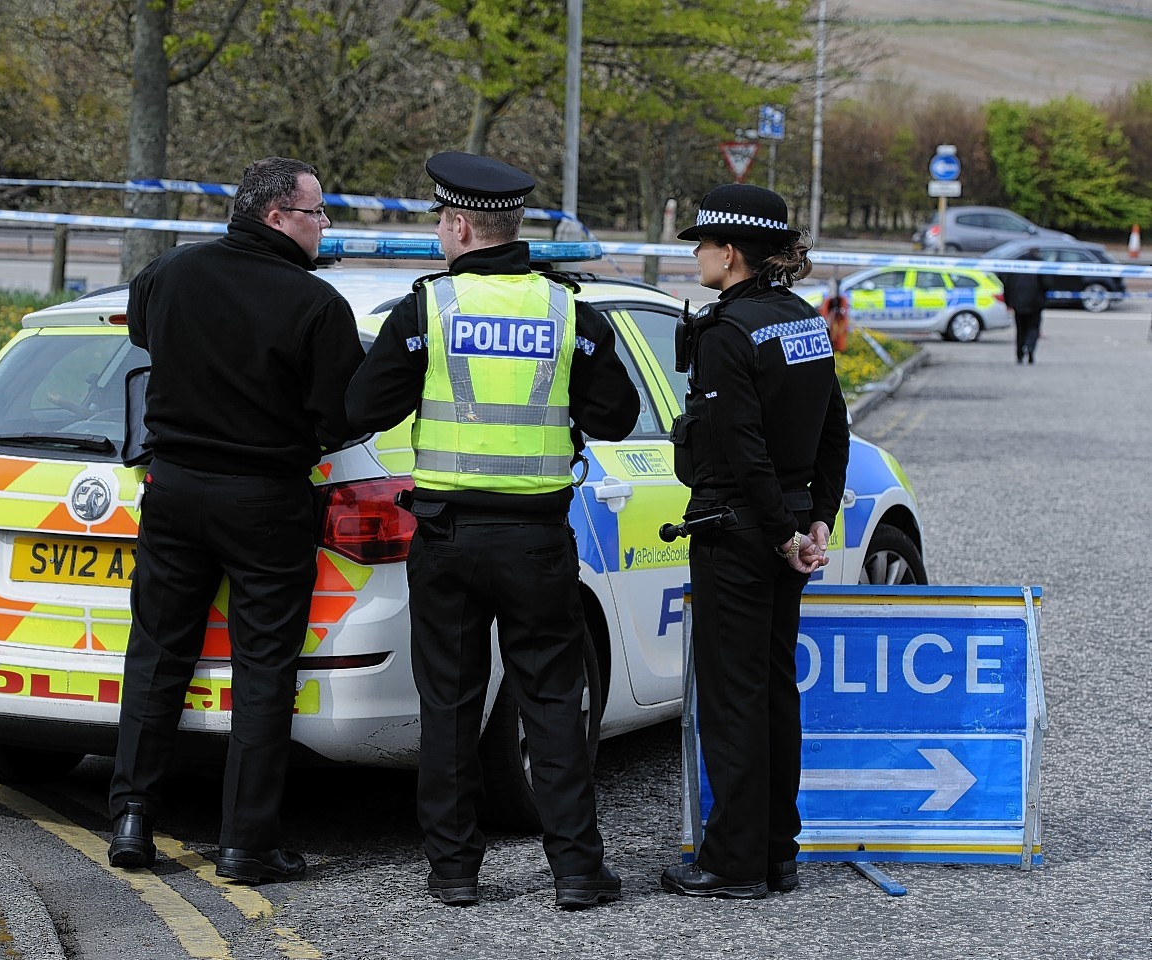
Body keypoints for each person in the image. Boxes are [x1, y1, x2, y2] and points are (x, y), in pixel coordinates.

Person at [344, 152, 640, 910]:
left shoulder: (428, 310)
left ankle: (453, 871)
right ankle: (575, 869)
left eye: (442, 221)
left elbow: (361, 408)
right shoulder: (569, 311)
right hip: (538, 538)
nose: (439, 232)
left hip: (446, 538)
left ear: (460, 225)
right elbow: (617, 416)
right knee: (552, 699)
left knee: (449, 703)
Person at [107, 157, 365, 884]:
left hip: (175, 490)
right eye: (317, 212)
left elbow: (143, 338)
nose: (324, 227)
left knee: (157, 655)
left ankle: (131, 818)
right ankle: (245, 846)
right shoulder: (315, 306)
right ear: (278, 216)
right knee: (261, 672)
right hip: (264, 500)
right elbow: (338, 419)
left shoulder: (168, 273)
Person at [659, 183, 850, 900]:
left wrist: (777, 533)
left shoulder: (727, 333)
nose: (697, 257)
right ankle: (776, 852)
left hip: (739, 532)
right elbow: (835, 429)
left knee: (733, 702)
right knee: (773, 693)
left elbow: (739, 446)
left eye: (702, 245)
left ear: (731, 253)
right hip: (786, 525)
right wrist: (815, 521)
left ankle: (732, 864)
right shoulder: (803, 320)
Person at [998, 250, 1046, 363]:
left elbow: (1005, 281)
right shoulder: (1041, 265)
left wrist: (1008, 301)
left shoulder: (1016, 264)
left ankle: (1019, 354)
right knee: (1033, 328)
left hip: (1018, 303)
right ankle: (1030, 348)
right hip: (1035, 303)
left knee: (1020, 329)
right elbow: (1047, 283)